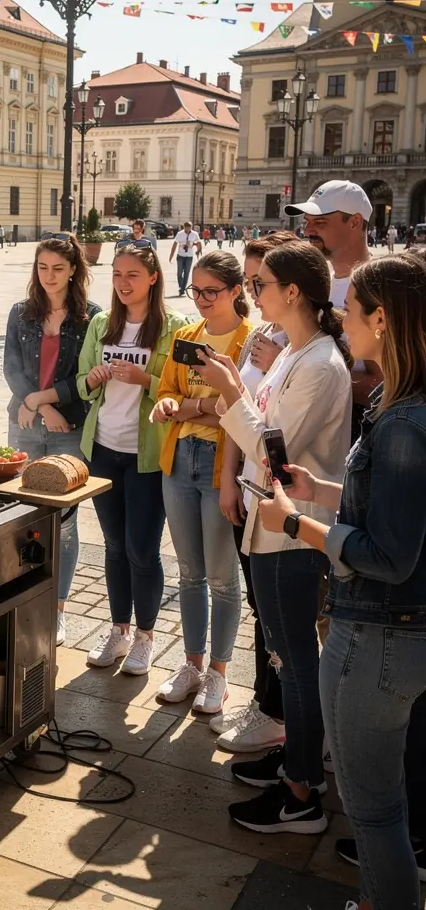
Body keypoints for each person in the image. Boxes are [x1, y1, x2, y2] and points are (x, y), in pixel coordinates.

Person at [257, 253, 426, 908]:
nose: (340, 318)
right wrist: (321, 489)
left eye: (350, 309)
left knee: (375, 813)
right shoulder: (396, 401)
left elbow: (389, 554)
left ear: (382, 320)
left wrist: (295, 523)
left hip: (379, 636)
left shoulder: (405, 422)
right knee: (382, 806)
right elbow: (388, 506)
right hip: (391, 632)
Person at [198, 242, 352, 836]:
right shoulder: (294, 349)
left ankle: (302, 795)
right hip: (270, 523)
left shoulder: (321, 364)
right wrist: (237, 388)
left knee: (296, 662)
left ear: (293, 292)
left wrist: (231, 392)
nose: (252, 292)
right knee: (284, 656)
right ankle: (295, 762)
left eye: (260, 284)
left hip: (292, 531)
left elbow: (274, 452)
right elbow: (265, 424)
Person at [77, 240, 190, 675]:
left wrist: (146, 379)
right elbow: (82, 383)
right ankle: (118, 630)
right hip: (103, 450)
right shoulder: (102, 323)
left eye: (133, 275)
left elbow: (183, 389)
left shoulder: (175, 327)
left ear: (153, 278)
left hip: (147, 455)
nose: (123, 283)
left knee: (142, 549)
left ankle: (145, 636)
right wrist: (93, 378)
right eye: (117, 275)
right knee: (114, 545)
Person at [152, 251, 253, 714]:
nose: (201, 299)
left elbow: (244, 409)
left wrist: (192, 409)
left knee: (221, 577)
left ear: (236, 291)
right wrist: (171, 406)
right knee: (189, 571)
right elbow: (167, 390)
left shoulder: (250, 343)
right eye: (196, 290)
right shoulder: (186, 337)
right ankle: (191, 664)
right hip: (178, 459)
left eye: (212, 291)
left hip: (222, 465)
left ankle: (219, 671)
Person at [212, 231, 294, 753]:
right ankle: (267, 703)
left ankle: (278, 713)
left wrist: (258, 371)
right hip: (247, 488)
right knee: (262, 608)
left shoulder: (300, 350)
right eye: (247, 279)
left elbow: (274, 434)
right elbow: (237, 416)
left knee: (276, 615)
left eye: (257, 281)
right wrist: (228, 480)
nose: (249, 290)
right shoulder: (264, 333)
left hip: (275, 497)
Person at [5, 235, 100, 646]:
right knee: (21, 513)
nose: (49, 275)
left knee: (65, 521)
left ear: (74, 270)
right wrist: (41, 405)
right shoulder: (21, 313)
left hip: (69, 428)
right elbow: (11, 368)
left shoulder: (91, 318)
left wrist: (47, 404)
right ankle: (23, 599)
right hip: (26, 422)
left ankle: (57, 609)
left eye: (58, 268)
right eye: (42, 267)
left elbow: (86, 377)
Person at [284, 181, 383, 449]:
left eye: (320, 222)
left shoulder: (377, 287)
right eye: (307, 221)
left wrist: (293, 373)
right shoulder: (318, 283)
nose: (307, 230)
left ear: (355, 222)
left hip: (355, 437)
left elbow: (385, 386)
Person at [169, 220, 202, 297]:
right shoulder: (180, 234)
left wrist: (199, 250)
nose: (188, 229)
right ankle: (181, 286)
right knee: (179, 273)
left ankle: (182, 289)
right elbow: (175, 244)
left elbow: (198, 242)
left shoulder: (194, 234)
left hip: (189, 256)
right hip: (180, 255)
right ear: (184, 227)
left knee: (186, 273)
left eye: (189, 227)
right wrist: (171, 255)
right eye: (186, 227)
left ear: (191, 227)